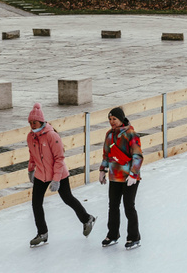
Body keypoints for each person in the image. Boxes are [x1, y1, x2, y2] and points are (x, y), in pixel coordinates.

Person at [25, 103, 95, 248]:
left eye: (35, 122)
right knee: (36, 203)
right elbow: (32, 155)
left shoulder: (52, 136)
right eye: (30, 123)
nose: (32, 125)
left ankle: (87, 219)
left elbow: (59, 159)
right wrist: (31, 170)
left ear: (42, 122)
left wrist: (56, 179)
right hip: (41, 174)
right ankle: (42, 233)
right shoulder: (30, 137)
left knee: (67, 198)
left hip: (58, 173)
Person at [99, 106, 143, 250]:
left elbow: (137, 156)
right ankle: (112, 235)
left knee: (129, 207)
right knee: (113, 206)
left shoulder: (131, 134)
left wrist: (133, 174)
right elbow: (106, 154)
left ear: (121, 119)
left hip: (129, 178)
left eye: (114, 119)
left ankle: (134, 237)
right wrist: (102, 170)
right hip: (114, 177)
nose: (112, 122)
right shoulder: (109, 135)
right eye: (110, 119)